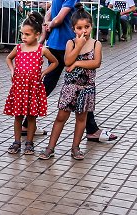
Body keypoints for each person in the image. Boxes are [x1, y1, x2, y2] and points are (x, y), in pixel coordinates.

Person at [42, 0, 118, 145]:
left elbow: (51, 9)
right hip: (68, 45)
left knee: (49, 86)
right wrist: (52, 24)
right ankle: (92, 130)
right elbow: (59, 16)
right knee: (82, 86)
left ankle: (26, 122)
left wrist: (47, 26)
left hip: (56, 43)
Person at [39, 9, 102, 161]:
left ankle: (75, 147)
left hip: (87, 88)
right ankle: (50, 147)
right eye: (79, 28)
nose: (83, 31)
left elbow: (96, 63)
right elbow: (67, 61)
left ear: (91, 27)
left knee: (82, 119)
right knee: (61, 117)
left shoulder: (96, 44)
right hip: (70, 87)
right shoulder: (71, 43)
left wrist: (78, 63)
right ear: (73, 29)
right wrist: (79, 46)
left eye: (86, 27)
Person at [3, 12, 58, 156]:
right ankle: (16, 142)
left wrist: (44, 72)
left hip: (33, 88)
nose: (23, 37)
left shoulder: (42, 50)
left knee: (32, 116)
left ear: (37, 34)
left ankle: (29, 142)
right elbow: (9, 59)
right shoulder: (19, 48)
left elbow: (55, 62)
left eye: (27, 34)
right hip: (19, 87)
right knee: (18, 116)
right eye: (22, 34)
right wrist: (12, 71)